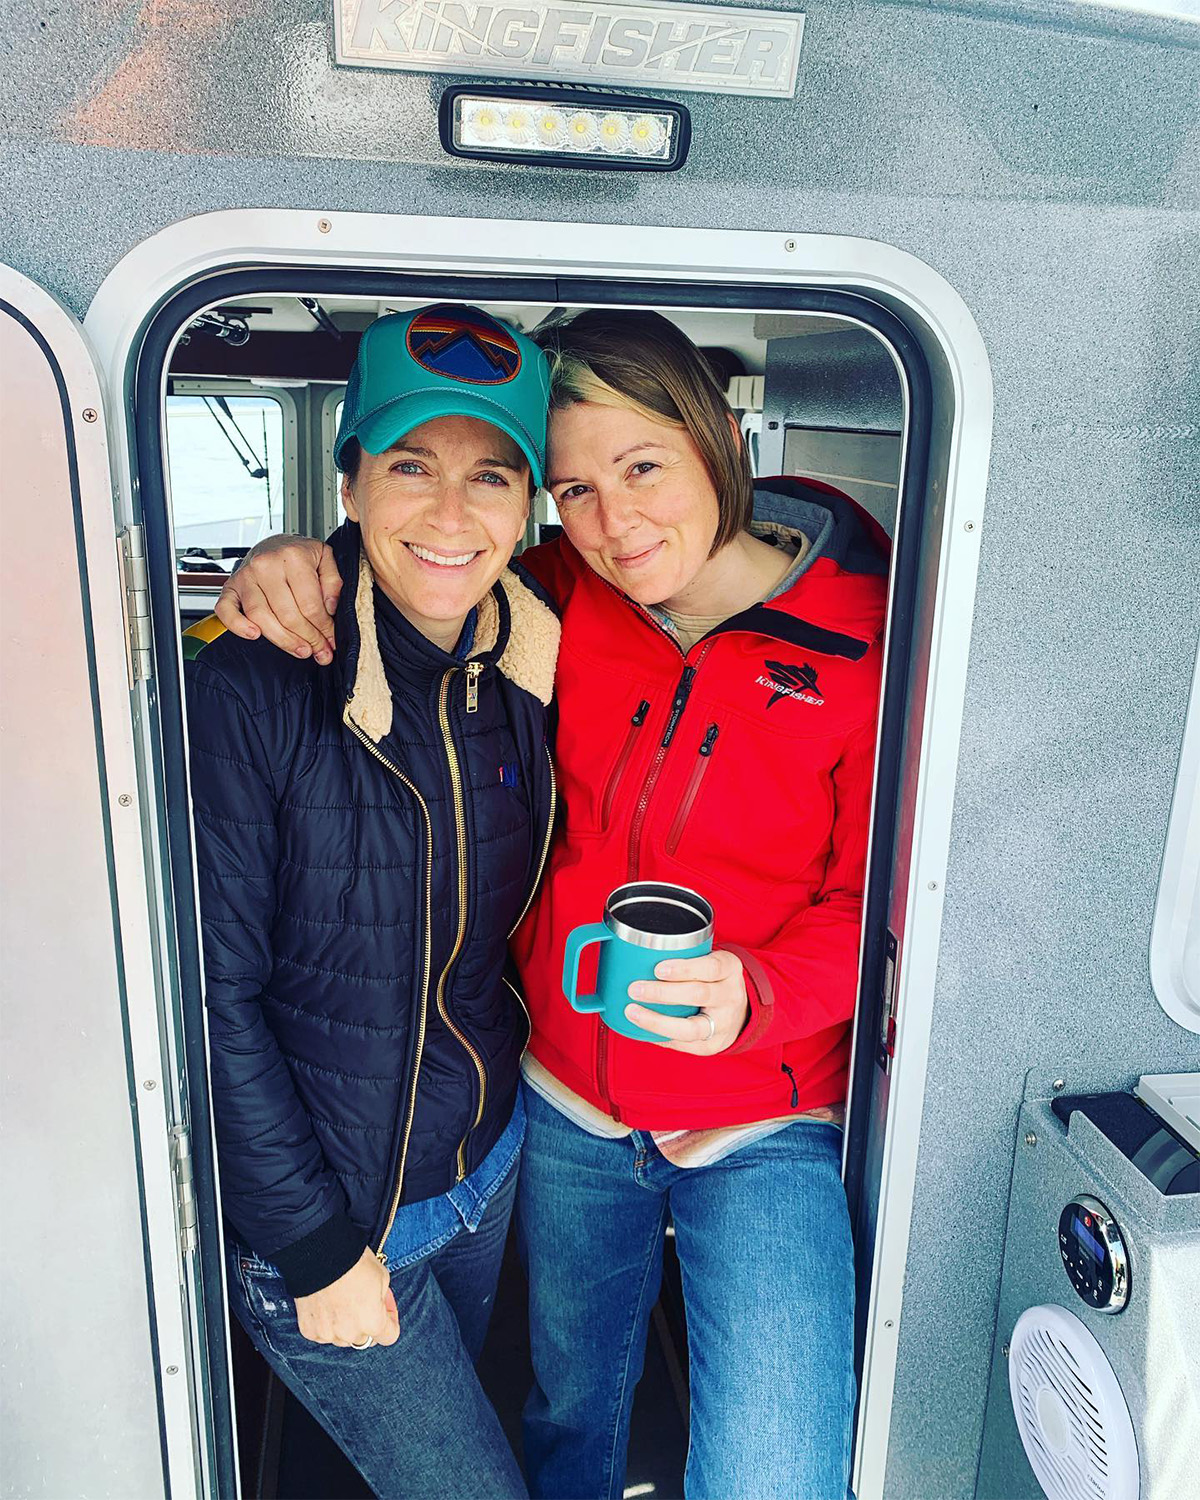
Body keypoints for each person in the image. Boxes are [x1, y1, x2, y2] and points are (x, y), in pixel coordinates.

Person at [216, 309, 889, 1500]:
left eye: (643, 469)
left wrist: (761, 994)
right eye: (574, 489)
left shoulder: (864, 639)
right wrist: (292, 560)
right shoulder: (554, 601)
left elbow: (879, 900)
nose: (618, 524)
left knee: (776, 1476)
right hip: (565, 1105)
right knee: (572, 1417)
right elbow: (417, 558)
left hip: (761, 1115)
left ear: (721, 441)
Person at [186, 303, 560, 1499]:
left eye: (491, 478)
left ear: (528, 507)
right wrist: (314, 1248)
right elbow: (210, 998)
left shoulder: (530, 657)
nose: (452, 517)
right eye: (411, 468)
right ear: (348, 483)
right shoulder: (252, 682)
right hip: (335, 1218)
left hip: (488, 1169)